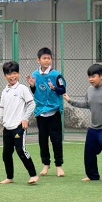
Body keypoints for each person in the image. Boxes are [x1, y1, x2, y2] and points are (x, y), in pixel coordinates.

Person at [0, 61, 38, 185]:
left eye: (14, 73)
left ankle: (33, 175)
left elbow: (32, 104)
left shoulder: (22, 89)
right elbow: (2, 108)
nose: (12, 76)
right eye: (9, 74)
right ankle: (10, 177)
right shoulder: (5, 91)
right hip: (7, 128)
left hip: (19, 127)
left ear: (19, 74)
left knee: (21, 150)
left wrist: (25, 118)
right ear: (5, 76)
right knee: (6, 154)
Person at [28, 48, 66, 177]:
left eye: (49, 58)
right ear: (38, 60)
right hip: (40, 113)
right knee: (43, 141)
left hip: (54, 112)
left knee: (56, 140)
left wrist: (55, 88)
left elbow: (62, 90)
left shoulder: (56, 75)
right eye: (44, 58)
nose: (47, 60)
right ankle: (46, 164)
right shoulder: (35, 75)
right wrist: (32, 86)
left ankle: (59, 165)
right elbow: (35, 92)